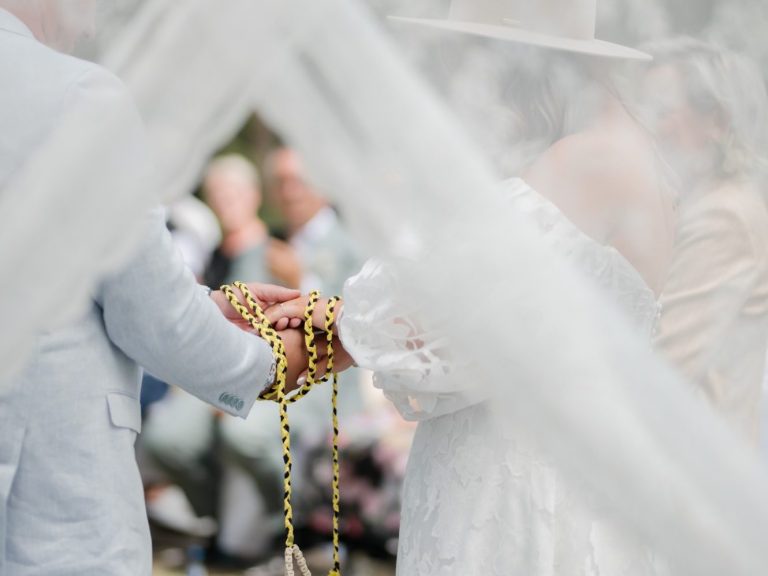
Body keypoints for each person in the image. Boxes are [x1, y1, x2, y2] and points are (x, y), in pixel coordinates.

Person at [268, 0, 676, 574]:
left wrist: (330, 316)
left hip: (525, 484)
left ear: (519, 63)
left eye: (472, 60)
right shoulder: (614, 150)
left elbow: (442, 300)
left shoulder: (591, 157)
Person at [0, 4, 314, 574]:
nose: (93, 21)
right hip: (45, 498)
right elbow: (150, 315)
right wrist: (272, 364)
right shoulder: (76, 95)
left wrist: (206, 306)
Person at [645, 39, 768, 443]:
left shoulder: (723, 216)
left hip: (694, 460)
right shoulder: (699, 201)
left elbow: (664, 364)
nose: (647, 127)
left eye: (662, 111)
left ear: (718, 121)